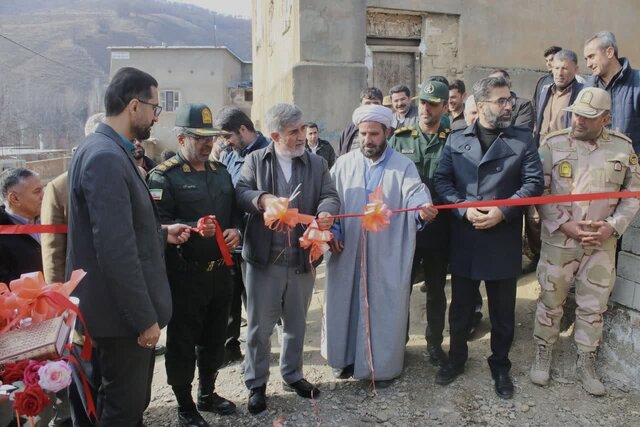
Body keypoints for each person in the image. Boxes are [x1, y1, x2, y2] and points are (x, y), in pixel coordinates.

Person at [66, 66, 192, 427]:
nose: (156, 115)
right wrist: (144, 318)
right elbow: (114, 249)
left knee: (122, 403)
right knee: (124, 408)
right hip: (121, 320)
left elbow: (116, 231)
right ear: (134, 106)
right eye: (155, 107)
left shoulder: (103, 149)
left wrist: (161, 234)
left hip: (114, 313)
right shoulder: (105, 157)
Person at [433, 76, 544, 399]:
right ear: (481, 106)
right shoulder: (456, 139)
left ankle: (500, 365)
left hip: (502, 238)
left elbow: (533, 184)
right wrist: (462, 209)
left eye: (510, 99)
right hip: (466, 237)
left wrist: (503, 211)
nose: (509, 105)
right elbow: (443, 182)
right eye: (501, 101)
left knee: (502, 313)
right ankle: (456, 359)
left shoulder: (522, 140)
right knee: (461, 309)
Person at [530, 87, 640, 396]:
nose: (578, 120)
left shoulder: (622, 148)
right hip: (560, 242)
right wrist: (565, 224)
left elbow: (632, 196)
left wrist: (611, 227)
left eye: (587, 117)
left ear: (605, 118)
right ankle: (543, 353)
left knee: (594, 306)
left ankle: (586, 361)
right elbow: (541, 192)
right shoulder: (552, 145)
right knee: (551, 301)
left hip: (601, 246)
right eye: (576, 113)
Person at [235, 103, 340, 415]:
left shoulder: (316, 163)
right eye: (293, 132)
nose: (301, 137)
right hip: (264, 262)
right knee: (259, 328)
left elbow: (330, 194)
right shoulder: (255, 160)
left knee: (295, 323)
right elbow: (241, 192)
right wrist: (263, 199)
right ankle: (256, 384)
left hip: (302, 259)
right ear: (274, 136)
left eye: (302, 129)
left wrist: (326, 212)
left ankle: (292, 375)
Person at [323, 104, 436, 387]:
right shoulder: (345, 163)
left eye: (374, 134)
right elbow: (329, 199)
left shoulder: (403, 165)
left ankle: (381, 367)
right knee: (342, 303)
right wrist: (334, 229)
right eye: (363, 134)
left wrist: (422, 209)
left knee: (384, 305)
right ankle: (343, 359)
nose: (367, 140)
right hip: (346, 250)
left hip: (384, 252)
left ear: (387, 132)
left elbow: (415, 193)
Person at [147, 103, 240, 426]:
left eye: (210, 138)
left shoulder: (221, 173)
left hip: (220, 273)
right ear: (181, 138)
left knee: (216, 338)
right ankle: (185, 404)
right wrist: (189, 228)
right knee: (184, 342)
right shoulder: (164, 177)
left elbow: (236, 214)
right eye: (198, 138)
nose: (206, 144)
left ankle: (207, 393)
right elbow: (156, 224)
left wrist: (235, 231)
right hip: (185, 276)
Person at [389, 80, 452, 366]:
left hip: (440, 228)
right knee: (401, 286)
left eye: (433, 104)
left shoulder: (453, 138)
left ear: (444, 106)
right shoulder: (400, 137)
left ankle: (434, 344)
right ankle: (395, 343)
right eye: (423, 103)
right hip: (406, 227)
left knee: (437, 290)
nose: (426, 109)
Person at [215, 106, 271, 364]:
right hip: (232, 239)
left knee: (256, 300)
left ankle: (258, 351)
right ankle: (229, 347)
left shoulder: (269, 153)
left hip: (258, 237)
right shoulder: (229, 155)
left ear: (243, 130)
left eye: (228, 136)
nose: (224, 142)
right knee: (228, 297)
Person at [584, 31, 640, 152]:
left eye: (591, 56)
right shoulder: (588, 87)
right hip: (596, 164)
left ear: (609, 52)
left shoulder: (637, 82)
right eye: (586, 59)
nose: (588, 64)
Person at [0, 168, 43, 285]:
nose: (43, 196)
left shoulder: (52, 220)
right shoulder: (3, 235)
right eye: (37, 191)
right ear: (15, 198)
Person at [534, 49, 584, 146]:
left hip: (567, 153)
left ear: (576, 69)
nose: (559, 73)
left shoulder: (582, 94)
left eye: (564, 68)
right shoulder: (545, 91)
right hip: (542, 152)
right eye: (556, 68)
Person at [337, 87, 383, 155]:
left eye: (375, 103)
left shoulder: (389, 131)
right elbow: (339, 158)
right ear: (360, 105)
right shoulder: (348, 132)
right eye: (367, 103)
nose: (371, 107)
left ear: (382, 105)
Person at [531, 46, 563, 115]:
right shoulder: (542, 81)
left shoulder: (568, 80)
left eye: (551, 60)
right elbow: (534, 105)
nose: (548, 63)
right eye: (546, 61)